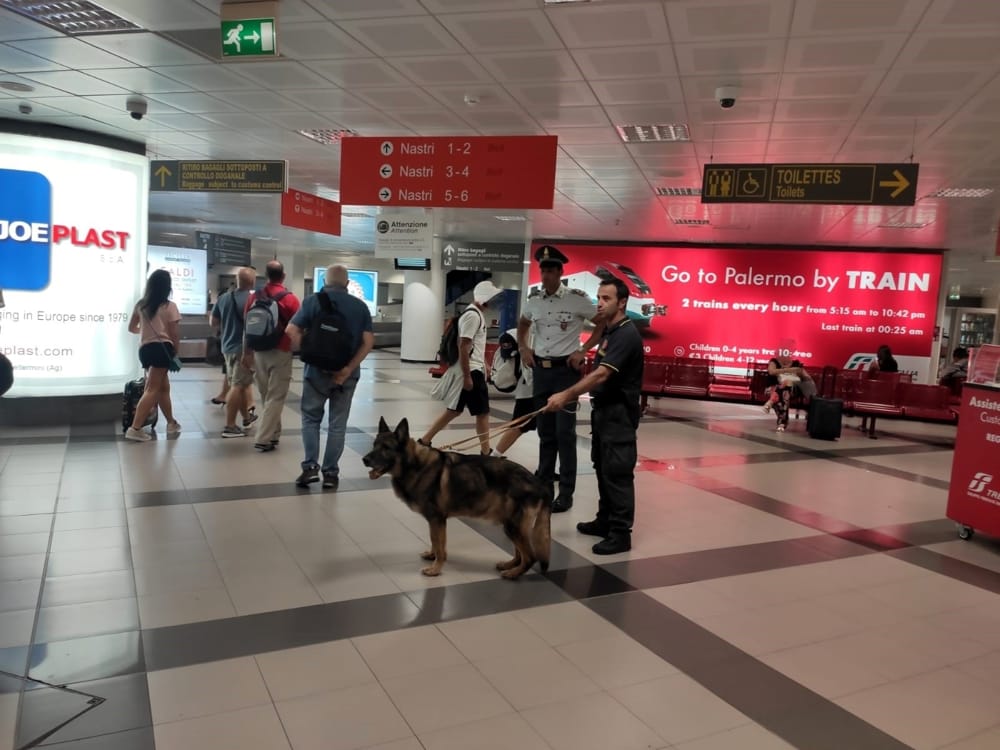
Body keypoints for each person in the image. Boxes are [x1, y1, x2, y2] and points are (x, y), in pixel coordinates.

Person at [543, 278, 643, 555]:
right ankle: (605, 520)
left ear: (622, 302)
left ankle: (621, 533)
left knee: (618, 473)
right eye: (599, 297)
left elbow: (602, 374)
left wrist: (566, 394)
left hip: (619, 415)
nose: (600, 302)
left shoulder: (625, 334)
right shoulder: (610, 333)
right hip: (604, 413)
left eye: (607, 298)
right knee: (603, 467)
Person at [518, 245, 604, 512]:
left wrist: (583, 349)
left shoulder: (576, 299)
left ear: (560, 272)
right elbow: (523, 324)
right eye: (542, 270)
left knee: (564, 434)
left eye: (550, 271)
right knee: (545, 432)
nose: (544, 275)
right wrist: (523, 347)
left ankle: (566, 493)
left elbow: (601, 323)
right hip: (542, 372)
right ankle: (543, 485)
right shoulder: (535, 301)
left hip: (566, 373)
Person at [286, 264, 375, 489]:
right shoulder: (360, 307)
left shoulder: (312, 302)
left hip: (315, 373)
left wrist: (309, 355)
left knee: (310, 419)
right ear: (346, 284)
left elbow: (291, 331)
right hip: (347, 376)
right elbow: (368, 343)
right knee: (337, 425)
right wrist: (347, 369)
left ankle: (310, 469)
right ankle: (331, 473)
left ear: (324, 282)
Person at [422, 280, 503, 454]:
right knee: (482, 413)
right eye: (492, 297)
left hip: (474, 368)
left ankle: (425, 440)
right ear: (484, 298)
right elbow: (463, 346)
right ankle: (485, 451)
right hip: (471, 371)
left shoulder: (475, 314)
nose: (495, 301)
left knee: (454, 410)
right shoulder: (473, 316)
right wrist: (467, 376)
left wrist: (486, 364)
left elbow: (474, 346)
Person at [242, 260, 300, 452]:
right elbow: (298, 328)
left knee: (267, 394)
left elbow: (247, 326)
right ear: (283, 276)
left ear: (265, 276)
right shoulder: (291, 299)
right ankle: (264, 438)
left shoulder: (254, 297)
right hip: (281, 351)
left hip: (259, 351)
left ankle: (274, 433)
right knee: (276, 396)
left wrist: (246, 352)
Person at [125, 269, 182, 441]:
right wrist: (176, 351)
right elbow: (174, 333)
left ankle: (171, 423)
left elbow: (131, 328)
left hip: (145, 350)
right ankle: (135, 428)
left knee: (163, 388)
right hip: (162, 349)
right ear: (167, 287)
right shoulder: (169, 306)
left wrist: (146, 331)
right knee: (151, 389)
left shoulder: (141, 305)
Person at [211, 267, 258, 437]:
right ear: (252, 282)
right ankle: (230, 426)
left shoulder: (223, 298)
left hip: (227, 347)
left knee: (240, 384)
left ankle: (246, 418)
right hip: (243, 350)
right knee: (238, 387)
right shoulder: (252, 300)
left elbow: (214, 322)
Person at [491, 329, 536, 458]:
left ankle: (546, 469)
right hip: (528, 388)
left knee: (548, 430)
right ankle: (494, 456)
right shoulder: (521, 332)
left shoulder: (518, 332)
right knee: (519, 424)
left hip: (535, 387)